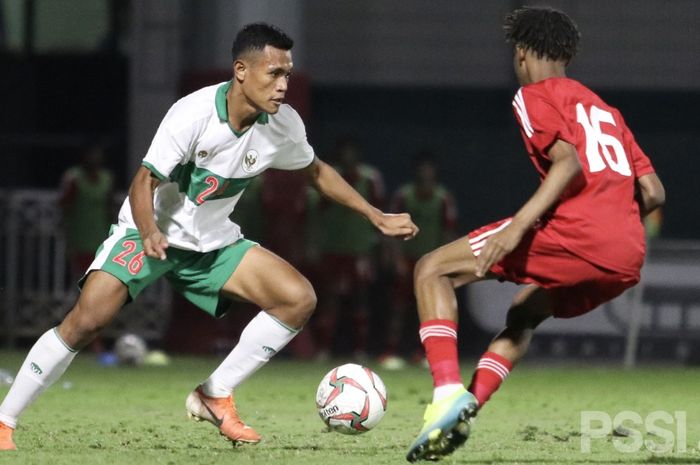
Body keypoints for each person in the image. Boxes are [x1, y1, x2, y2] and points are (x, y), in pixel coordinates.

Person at [0, 23, 418, 451]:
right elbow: (143, 182)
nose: (283, 86)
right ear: (241, 70)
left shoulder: (283, 125)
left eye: (288, 75)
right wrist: (147, 233)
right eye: (274, 74)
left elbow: (316, 171)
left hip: (212, 243)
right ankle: (4, 420)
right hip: (148, 232)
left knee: (298, 298)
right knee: (85, 322)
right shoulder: (193, 113)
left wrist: (374, 214)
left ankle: (215, 392)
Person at [406, 7, 665, 462]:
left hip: (578, 236)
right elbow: (654, 191)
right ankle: (466, 407)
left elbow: (568, 163)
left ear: (522, 53)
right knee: (523, 312)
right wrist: (614, 224)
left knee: (432, 269)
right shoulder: (606, 111)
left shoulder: (534, 95)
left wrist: (519, 228)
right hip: (626, 256)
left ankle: (446, 396)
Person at [380, 151, 457, 369]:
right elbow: (390, 228)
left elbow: (449, 233)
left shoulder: (443, 198)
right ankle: (390, 351)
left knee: (427, 308)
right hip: (406, 261)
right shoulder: (404, 196)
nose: (425, 172)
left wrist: (446, 263)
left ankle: (423, 353)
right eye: (422, 167)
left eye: (429, 167)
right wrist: (395, 259)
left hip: (430, 263)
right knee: (398, 308)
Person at [310, 136, 385, 359]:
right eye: (345, 152)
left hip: (360, 249)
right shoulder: (329, 177)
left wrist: (377, 247)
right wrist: (313, 243)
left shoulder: (370, 178)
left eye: (352, 152)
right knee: (329, 299)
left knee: (361, 300)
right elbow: (317, 212)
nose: (348, 157)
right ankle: (324, 349)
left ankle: (360, 349)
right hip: (333, 248)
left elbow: (380, 212)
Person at [58, 143, 114, 279]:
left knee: (99, 275)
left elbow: (109, 206)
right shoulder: (74, 177)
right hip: (79, 237)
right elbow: (64, 205)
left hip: (101, 235)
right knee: (81, 278)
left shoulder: (107, 178)